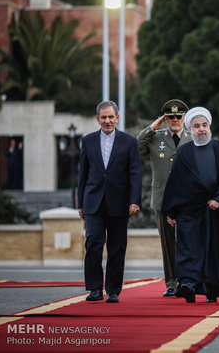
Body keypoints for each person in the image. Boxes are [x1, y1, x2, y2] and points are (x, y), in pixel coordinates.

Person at [161, 107, 219, 303]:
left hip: (214, 210)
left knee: (213, 251)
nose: (201, 129)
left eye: (204, 125)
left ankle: (211, 290)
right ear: (190, 129)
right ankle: (188, 285)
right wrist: (172, 211)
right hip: (189, 210)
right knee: (188, 248)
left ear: (209, 126)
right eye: (196, 126)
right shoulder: (183, 152)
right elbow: (176, 183)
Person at [77, 100, 142, 303]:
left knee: (117, 247)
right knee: (94, 243)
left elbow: (135, 173)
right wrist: (80, 203)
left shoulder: (129, 142)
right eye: (103, 117)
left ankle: (113, 290)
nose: (107, 121)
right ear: (97, 119)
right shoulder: (87, 141)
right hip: (93, 202)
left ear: (117, 118)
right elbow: (83, 174)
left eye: (110, 117)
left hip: (120, 202)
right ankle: (95, 288)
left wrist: (134, 200)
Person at [137, 99, 190, 297]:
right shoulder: (156, 137)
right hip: (163, 198)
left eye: (178, 116)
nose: (174, 120)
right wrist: (152, 127)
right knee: (168, 244)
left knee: (187, 241)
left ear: (184, 117)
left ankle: (187, 281)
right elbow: (136, 147)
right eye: (170, 117)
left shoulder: (192, 136)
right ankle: (171, 283)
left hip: (187, 199)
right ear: (165, 119)